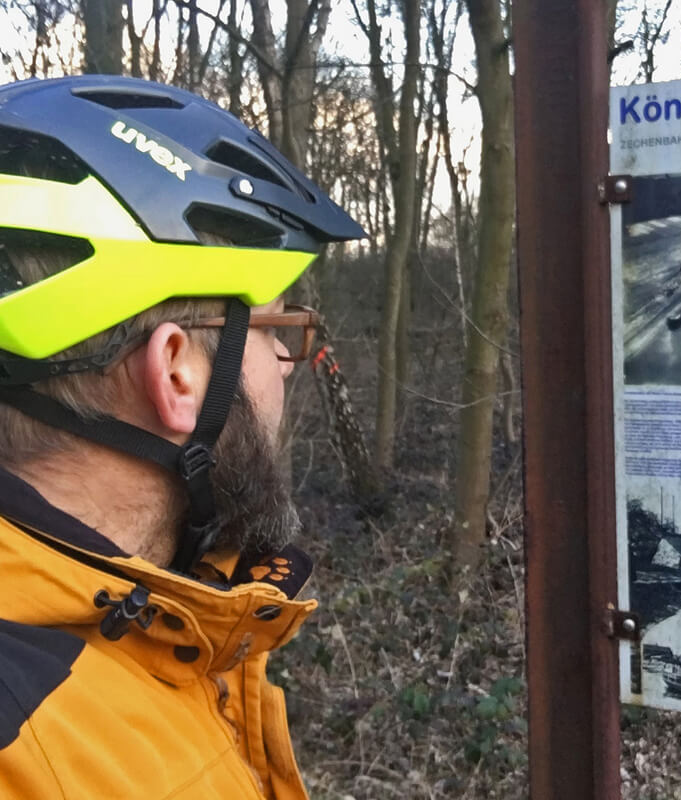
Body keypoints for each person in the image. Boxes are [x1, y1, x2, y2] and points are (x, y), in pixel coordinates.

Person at [0, 75, 363, 799]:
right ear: (177, 371)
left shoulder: (154, 623)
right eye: (278, 331)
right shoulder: (30, 751)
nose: (288, 368)